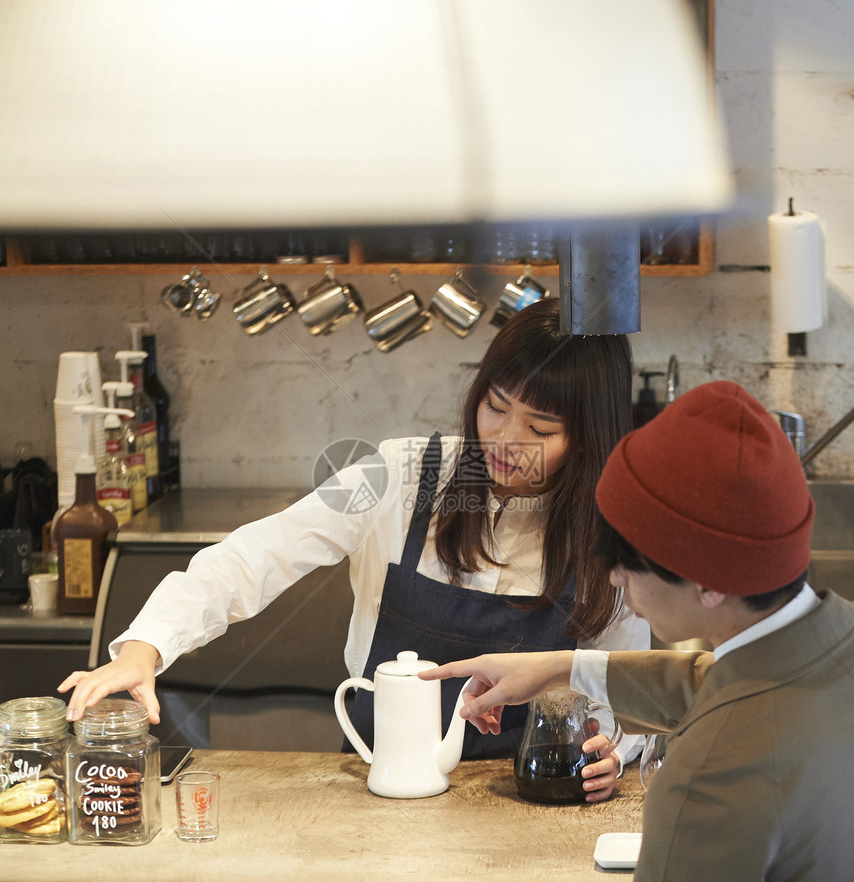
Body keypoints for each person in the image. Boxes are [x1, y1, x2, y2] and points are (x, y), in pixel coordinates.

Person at [59, 298, 650, 797]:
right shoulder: (400, 474)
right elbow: (258, 554)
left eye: (540, 430)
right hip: (379, 794)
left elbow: (629, 686)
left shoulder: (607, 527)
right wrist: (146, 647)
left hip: (527, 805)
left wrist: (614, 750)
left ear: (587, 436)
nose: (504, 440)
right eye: (494, 407)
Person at [420, 379, 854, 882]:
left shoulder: (711, 778)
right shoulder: (833, 647)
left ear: (710, 582)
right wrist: (562, 667)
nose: (613, 581)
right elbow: (721, 683)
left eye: (625, 565)